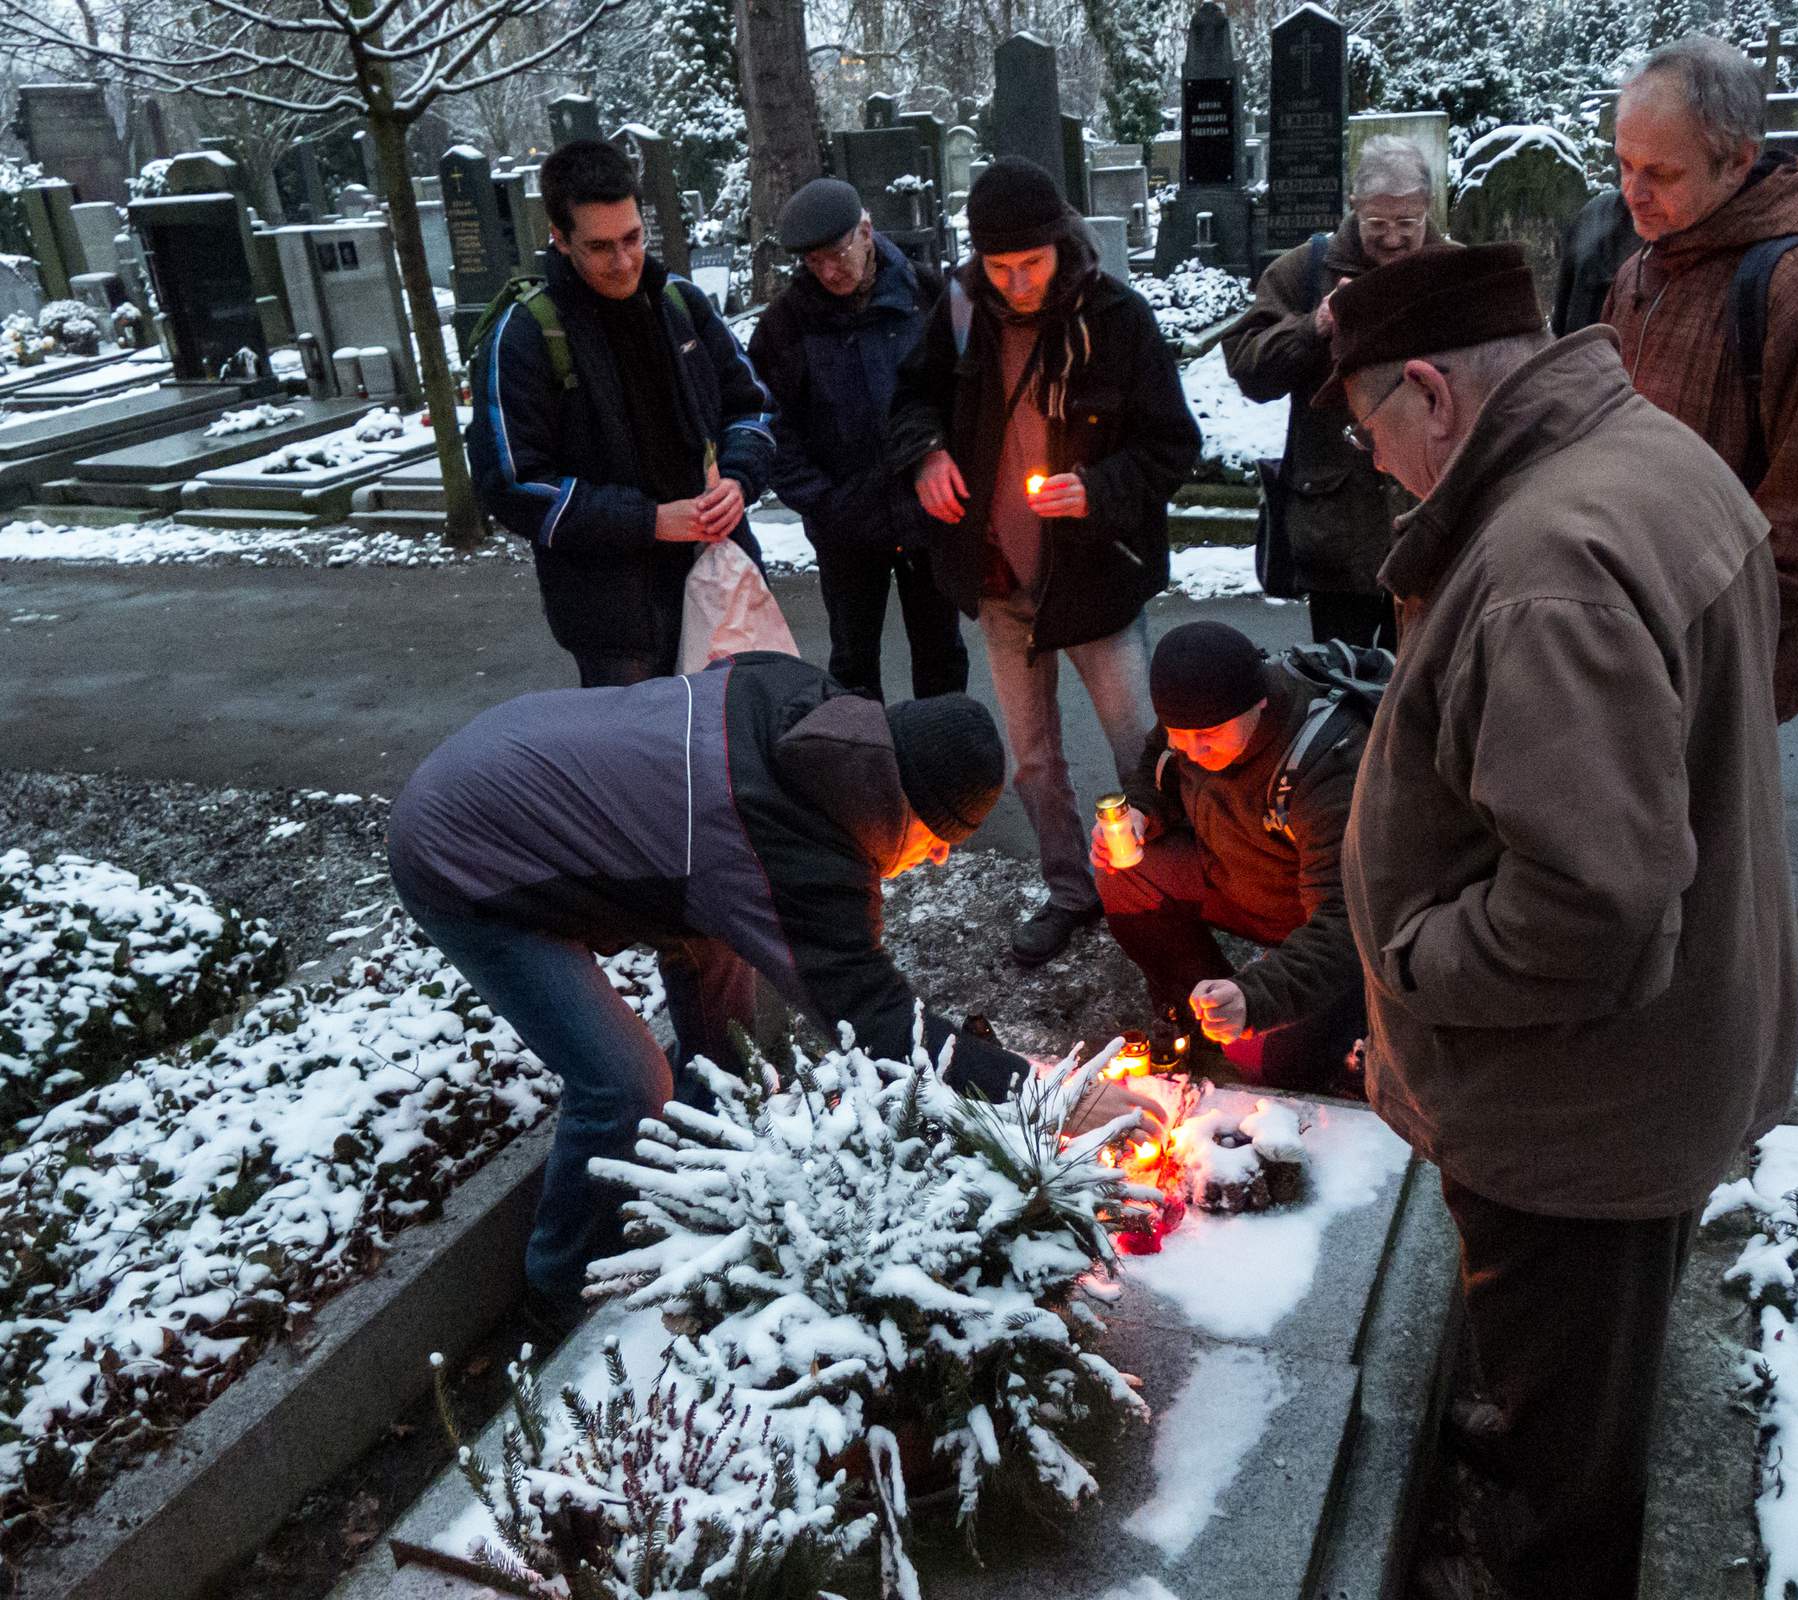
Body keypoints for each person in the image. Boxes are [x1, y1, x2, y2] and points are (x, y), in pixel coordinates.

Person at [1327, 243, 1798, 1599]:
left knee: (1575, 1445)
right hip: (1659, 1058)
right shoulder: (1646, 451)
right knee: (1576, 1369)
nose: (1372, 462)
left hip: (1583, 1118)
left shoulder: (1547, 563)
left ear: (1431, 390)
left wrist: (1414, 961)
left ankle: (1553, 1556)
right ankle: (1537, 1455)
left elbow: (1591, 904)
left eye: (1371, 428)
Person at [388, 652, 1030, 1321]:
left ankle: (690, 1164)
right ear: (898, 808)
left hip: (518, 763)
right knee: (625, 1083)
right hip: (462, 853)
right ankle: (565, 1281)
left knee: (722, 992)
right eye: (936, 839)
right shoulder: (782, 845)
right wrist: (1026, 1089)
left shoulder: (799, 711)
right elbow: (872, 1017)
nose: (939, 856)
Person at [887, 155, 1202, 967]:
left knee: (1141, 749)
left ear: (1061, 243)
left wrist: (1098, 489)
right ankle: (1070, 890)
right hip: (998, 580)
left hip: (1096, 578)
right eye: (999, 267)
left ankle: (1169, 886)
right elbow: (911, 397)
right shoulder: (960, 310)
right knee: (1033, 759)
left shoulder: (1116, 319)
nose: (1017, 283)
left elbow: (1173, 445)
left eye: (1031, 264)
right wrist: (925, 454)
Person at [1606, 34, 1798, 722]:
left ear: (1735, 162)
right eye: (1622, 164)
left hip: (1720, 667)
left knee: (1701, 832)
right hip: (1625, 639)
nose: (1632, 194)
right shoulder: (1642, 268)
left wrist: (1688, 617)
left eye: (1661, 174)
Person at [467, 138, 777, 688]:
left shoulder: (680, 304)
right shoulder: (524, 337)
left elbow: (750, 407)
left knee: (736, 758)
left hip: (721, 582)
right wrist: (651, 522)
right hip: (615, 622)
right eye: (600, 247)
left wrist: (737, 478)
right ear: (560, 239)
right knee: (641, 770)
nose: (624, 261)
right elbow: (510, 484)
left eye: (633, 238)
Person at [1090, 620, 1375, 1090]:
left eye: (1210, 735)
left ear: (1259, 702)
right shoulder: (1190, 727)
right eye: (1180, 735)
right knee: (1123, 874)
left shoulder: (1325, 760)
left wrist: (1258, 997)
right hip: (1236, 880)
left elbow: (1348, 920)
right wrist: (1141, 813)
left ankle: (1321, 1022)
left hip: (1322, 926)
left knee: (1269, 1066)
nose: (1193, 751)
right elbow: (1154, 768)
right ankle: (1201, 1005)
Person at [1222, 134, 1446, 650]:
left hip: (1428, 532)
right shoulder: (1306, 269)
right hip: (1333, 539)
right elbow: (1249, 369)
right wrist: (1316, 323)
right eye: (1377, 224)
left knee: (1421, 699)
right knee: (1341, 696)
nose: (1393, 239)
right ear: (1355, 206)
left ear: (1427, 209)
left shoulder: (1451, 267)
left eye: (1407, 224)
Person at [749, 178, 968, 702]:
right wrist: (824, 502)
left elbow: (964, 391)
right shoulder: (784, 327)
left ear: (866, 232)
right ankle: (860, 770)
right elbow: (772, 427)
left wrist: (946, 462)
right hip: (844, 521)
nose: (828, 271)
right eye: (813, 262)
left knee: (941, 649)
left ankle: (943, 769)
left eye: (837, 254)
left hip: (926, 512)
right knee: (851, 658)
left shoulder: (927, 294)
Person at [1549, 186, 1638, 336]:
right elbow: (1561, 306)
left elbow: (1560, 316)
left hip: (1582, 347)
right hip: (1592, 346)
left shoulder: (1594, 209)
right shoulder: (1594, 212)